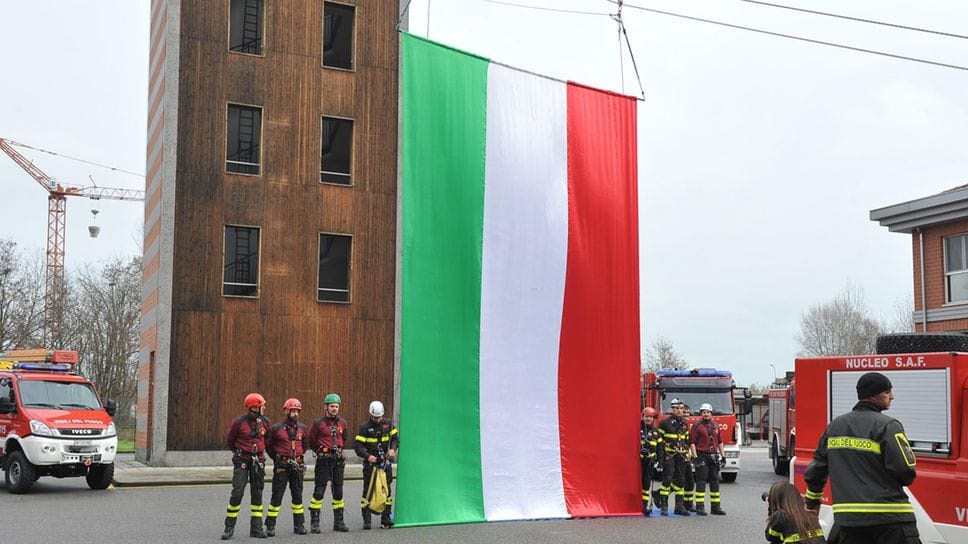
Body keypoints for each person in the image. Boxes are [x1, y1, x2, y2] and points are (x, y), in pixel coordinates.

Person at [804, 372, 919, 544]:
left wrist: (812, 504)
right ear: (874, 395)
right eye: (887, 392)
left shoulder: (834, 427)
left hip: (850, 522)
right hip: (891, 519)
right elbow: (905, 471)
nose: (892, 396)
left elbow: (815, 473)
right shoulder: (888, 426)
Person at [221, 392, 273, 540]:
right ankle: (229, 528)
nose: (264, 408)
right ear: (254, 407)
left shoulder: (265, 422)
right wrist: (240, 453)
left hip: (258, 462)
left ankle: (256, 528)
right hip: (242, 460)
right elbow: (230, 440)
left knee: (257, 493)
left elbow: (268, 440)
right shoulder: (239, 422)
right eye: (262, 406)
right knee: (237, 492)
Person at [265, 398, 310, 536]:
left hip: (297, 467)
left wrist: (298, 458)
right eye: (293, 411)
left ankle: (299, 525)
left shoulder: (302, 428)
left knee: (297, 497)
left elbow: (305, 445)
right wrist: (278, 459)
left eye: (297, 411)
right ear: (286, 411)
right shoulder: (276, 428)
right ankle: (270, 526)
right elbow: (269, 446)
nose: (295, 414)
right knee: (276, 497)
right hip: (282, 467)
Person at [308, 392, 351, 533]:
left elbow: (344, 440)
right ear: (326, 407)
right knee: (319, 491)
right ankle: (315, 523)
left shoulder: (343, 423)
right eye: (332, 406)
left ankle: (338, 522)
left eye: (336, 406)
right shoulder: (318, 423)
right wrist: (322, 451)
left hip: (337, 461)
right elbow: (312, 441)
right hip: (323, 461)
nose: (334, 409)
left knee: (338, 491)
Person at [355, 400, 399, 529]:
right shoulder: (364, 427)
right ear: (370, 414)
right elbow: (358, 446)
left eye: (379, 417)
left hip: (385, 464)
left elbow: (396, 439)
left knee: (387, 491)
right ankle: (366, 519)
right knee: (368, 492)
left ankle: (386, 519)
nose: (378, 419)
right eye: (375, 417)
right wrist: (368, 456)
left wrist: (393, 449)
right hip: (371, 465)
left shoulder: (388, 424)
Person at [689, 402, 726, 516]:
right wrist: (695, 458)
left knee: (715, 482)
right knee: (701, 481)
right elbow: (692, 443)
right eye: (704, 412)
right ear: (701, 413)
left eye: (708, 412)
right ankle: (700, 507)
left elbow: (719, 442)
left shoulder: (715, 426)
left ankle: (716, 507)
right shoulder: (696, 426)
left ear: (711, 414)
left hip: (713, 456)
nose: (706, 414)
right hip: (702, 456)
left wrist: (723, 456)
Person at [657, 398, 691, 516]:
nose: (679, 411)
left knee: (681, 480)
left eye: (681, 408)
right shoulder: (664, 423)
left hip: (681, 456)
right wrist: (660, 458)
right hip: (669, 456)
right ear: (672, 409)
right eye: (676, 408)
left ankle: (679, 506)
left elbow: (686, 440)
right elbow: (659, 441)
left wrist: (687, 453)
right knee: (667, 479)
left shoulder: (684, 423)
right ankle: (664, 506)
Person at [640, 406, 662, 516]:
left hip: (650, 463)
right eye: (646, 416)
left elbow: (660, 448)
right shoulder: (637, 429)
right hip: (638, 463)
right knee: (636, 484)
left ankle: (644, 506)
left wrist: (659, 461)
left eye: (650, 417)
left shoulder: (656, 432)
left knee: (646, 485)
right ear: (642, 416)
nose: (648, 419)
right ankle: (634, 505)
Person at [681, 403, 696, 512]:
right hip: (677, 456)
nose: (686, 414)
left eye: (687, 413)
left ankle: (688, 503)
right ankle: (682, 504)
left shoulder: (686, 424)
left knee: (690, 481)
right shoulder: (677, 424)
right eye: (684, 412)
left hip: (686, 456)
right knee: (679, 481)